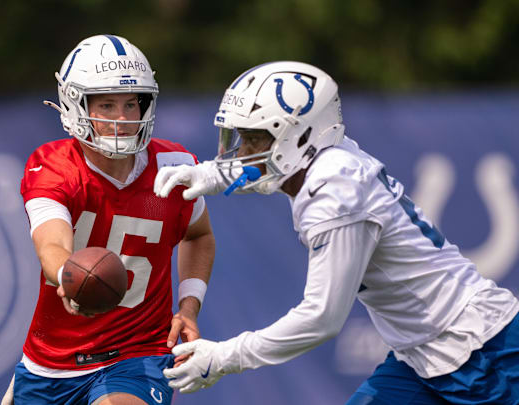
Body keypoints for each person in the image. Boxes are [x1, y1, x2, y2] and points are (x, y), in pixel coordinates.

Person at [154, 61, 519, 403]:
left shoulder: (334, 189)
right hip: (422, 356)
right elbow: (274, 162)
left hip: (483, 352)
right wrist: (212, 174)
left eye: (254, 138)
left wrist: (225, 356)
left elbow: (322, 318)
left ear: (300, 136)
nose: (243, 152)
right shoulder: (325, 155)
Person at [2, 35, 215, 405]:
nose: (122, 118)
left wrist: (189, 305)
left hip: (139, 351)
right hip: (51, 362)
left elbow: (199, 235)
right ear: (75, 104)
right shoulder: (54, 166)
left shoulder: (174, 166)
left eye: (131, 104)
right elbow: (51, 243)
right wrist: (68, 277)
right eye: (106, 105)